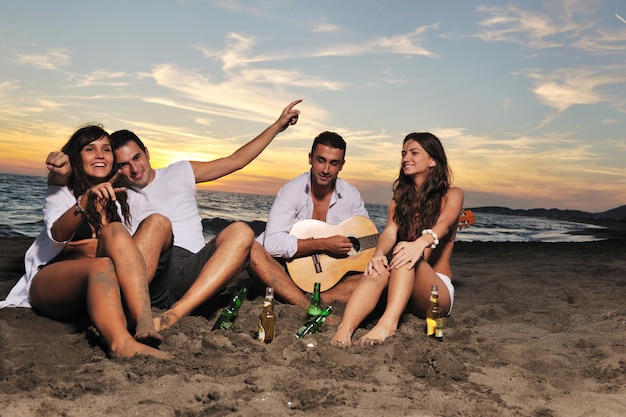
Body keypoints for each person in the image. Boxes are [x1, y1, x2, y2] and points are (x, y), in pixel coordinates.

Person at [46, 100, 302, 331]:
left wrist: (277, 126)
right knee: (157, 223)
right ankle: (133, 314)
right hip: (149, 274)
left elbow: (235, 160)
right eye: (124, 164)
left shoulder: (180, 171)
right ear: (115, 166)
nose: (134, 168)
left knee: (242, 232)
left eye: (137, 157)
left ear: (146, 152)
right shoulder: (115, 191)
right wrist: (61, 169)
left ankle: (174, 315)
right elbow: (76, 185)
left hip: (194, 271)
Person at [0, 125, 173, 359]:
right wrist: (85, 196)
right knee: (102, 264)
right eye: (90, 149)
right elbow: (59, 234)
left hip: (99, 285)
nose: (100, 155)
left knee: (120, 232)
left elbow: (129, 251)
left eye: (106, 149)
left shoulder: (119, 199)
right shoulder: (63, 188)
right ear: (77, 157)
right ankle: (120, 343)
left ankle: (143, 322)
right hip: (53, 283)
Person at [331, 132, 463, 347]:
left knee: (404, 252)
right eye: (403, 154)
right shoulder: (398, 200)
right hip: (401, 287)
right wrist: (379, 254)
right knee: (379, 265)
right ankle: (345, 328)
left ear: (432, 160)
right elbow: (389, 232)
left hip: (436, 292)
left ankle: (388, 324)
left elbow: (444, 224)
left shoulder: (452, 194)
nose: (405, 158)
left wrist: (418, 244)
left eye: (414, 153)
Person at [248, 131, 369, 309]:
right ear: (310, 158)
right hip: (285, 271)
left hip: (330, 278)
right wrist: (323, 244)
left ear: (342, 165)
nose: (326, 170)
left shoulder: (351, 195)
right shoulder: (291, 191)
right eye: (321, 160)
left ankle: (318, 299)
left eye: (333, 163)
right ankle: (305, 304)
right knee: (252, 252)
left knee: (381, 274)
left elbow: (365, 237)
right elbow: (272, 244)